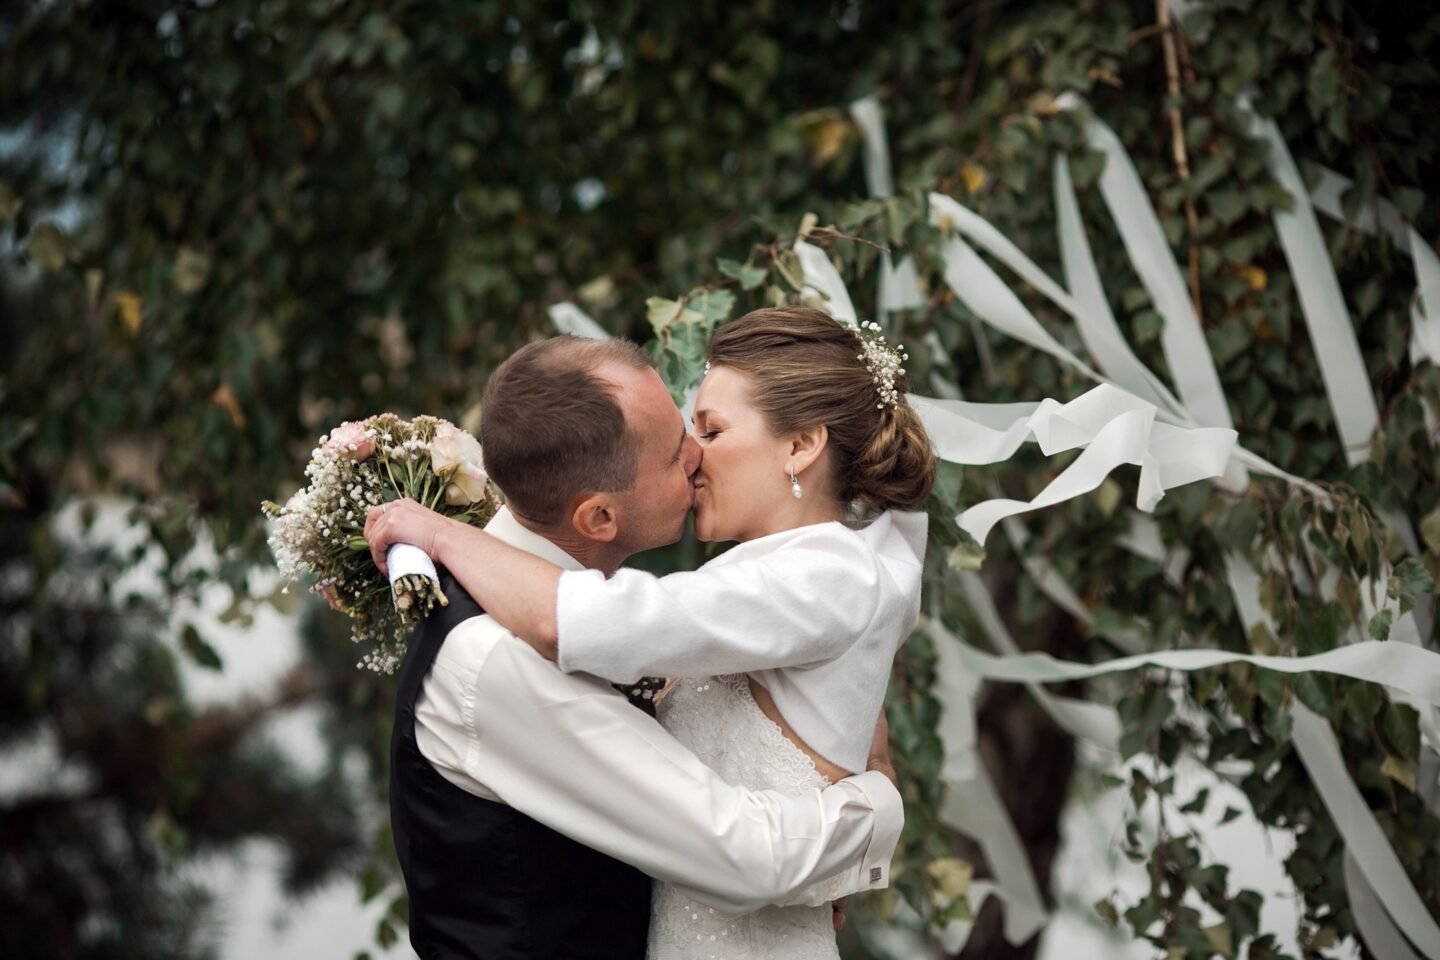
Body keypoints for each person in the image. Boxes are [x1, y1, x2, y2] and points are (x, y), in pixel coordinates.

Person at [367, 307, 938, 959]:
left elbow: (584, 620)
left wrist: (443, 534)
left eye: (709, 430)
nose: (695, 456)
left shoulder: (819, 576)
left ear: (802, 445)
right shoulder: (493, 654)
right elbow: (745, 855)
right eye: (680, 445)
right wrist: (873, 805)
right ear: (599, 517)